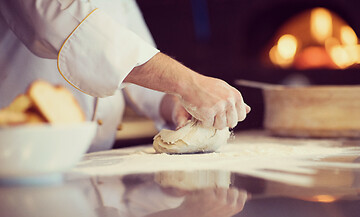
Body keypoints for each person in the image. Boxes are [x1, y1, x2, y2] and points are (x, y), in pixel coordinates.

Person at [0, 0, 250, 152]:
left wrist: (174, 104)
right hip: (19, 156)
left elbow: (140, 61)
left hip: (97, 162)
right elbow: (58, 23)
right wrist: (189, 83)